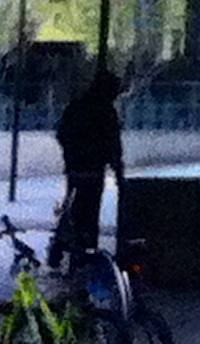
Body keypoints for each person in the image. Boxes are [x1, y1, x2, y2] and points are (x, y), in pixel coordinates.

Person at [49, 69, 124, 268]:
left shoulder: (77, 106)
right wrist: (117, 169)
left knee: (73, 208)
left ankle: (63, 245)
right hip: (92, 170)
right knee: (89, 211)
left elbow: (62, 133)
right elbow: (112, 143)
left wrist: (71, 154)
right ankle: (83, 249)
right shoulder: (105, 111)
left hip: (76, 168)